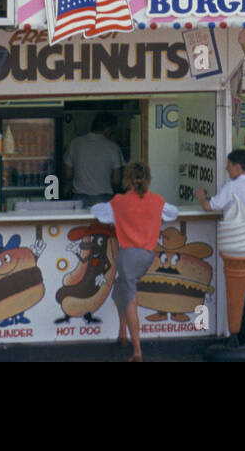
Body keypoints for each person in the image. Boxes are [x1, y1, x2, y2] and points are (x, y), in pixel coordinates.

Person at [197, 149, 245, 343]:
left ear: (237, 166)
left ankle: (241, 331)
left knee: (235, 287)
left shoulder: (231, 187)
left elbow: (210, 206)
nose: (226, 168)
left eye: (229, 165)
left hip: (235, 241)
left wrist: (201, 196)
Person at [107, 161, 179, 361]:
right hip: (147, 255)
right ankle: (122, 333)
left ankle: (137, 350)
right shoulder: (157, 201)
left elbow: (98, 213)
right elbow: (173, 213)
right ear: (148, 179)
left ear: (127, 179)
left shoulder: (118, 201)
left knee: (130, 297)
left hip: (127, 254)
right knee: (120, 289)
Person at [65, 113, 125, 207]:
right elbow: (116, 180)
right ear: (107, 129)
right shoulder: (113, 147)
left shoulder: (75, 143)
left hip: (79, 199)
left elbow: (68, 174)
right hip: (104, 200)